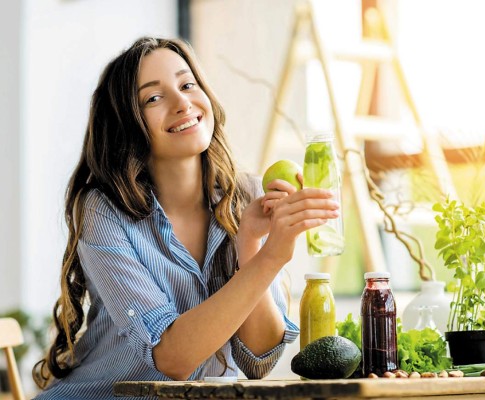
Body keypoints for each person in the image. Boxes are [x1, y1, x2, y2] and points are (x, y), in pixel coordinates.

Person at [32, 37, 340, 399]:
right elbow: (172, 358)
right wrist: (273, 257)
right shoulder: (103, 210)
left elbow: (258, 359)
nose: (182, 103)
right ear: (126, 124)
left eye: (187, 84)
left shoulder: (248, 197)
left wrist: (253, 249)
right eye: (154, 98)